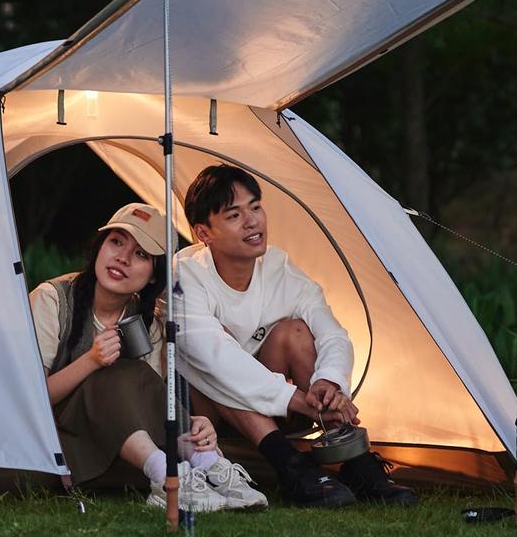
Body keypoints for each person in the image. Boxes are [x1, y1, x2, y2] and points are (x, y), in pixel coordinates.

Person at [176, 165, 416, 508]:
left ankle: (355, 462)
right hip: (204, 416)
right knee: (216, 359)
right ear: (204, 233)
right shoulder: (185, 275)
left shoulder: (278, 268)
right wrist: (297, 399)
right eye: (234, 214)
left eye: (255, 207)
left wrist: (329, 385)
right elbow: (213, 357)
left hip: (276, 407)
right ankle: (290, 465)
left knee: (296, 332)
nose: (252, 221)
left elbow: (333, 334)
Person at [28, 202, 267, 512]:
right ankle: (169, 479)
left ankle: (208, 464)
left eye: (141, 254)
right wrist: (91, 360)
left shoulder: (147, 322)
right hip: (59, 441)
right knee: (116, 372)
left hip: (116, 444)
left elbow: (144, 403)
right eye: (116, 242)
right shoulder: (53, 299)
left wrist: (195, 423)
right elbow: (30, 400)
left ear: (154, 274)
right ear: (100, 246)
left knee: (137, 376)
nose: (122, 258)